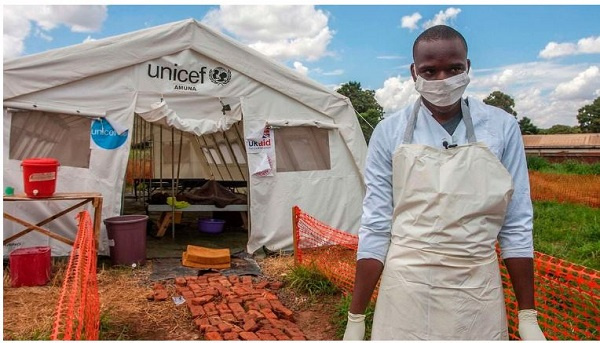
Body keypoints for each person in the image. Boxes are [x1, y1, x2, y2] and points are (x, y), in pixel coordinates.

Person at [343, 25, 546, 340]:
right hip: (406, 288)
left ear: (468, 68)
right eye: (429, 70)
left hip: (475, 288)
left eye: (453, 69)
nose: (442, 80)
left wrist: (528, 314)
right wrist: (356, 317)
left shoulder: (500, 128)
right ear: (414, 73)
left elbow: (516, 222)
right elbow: (376, 225)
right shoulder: (389, 133)